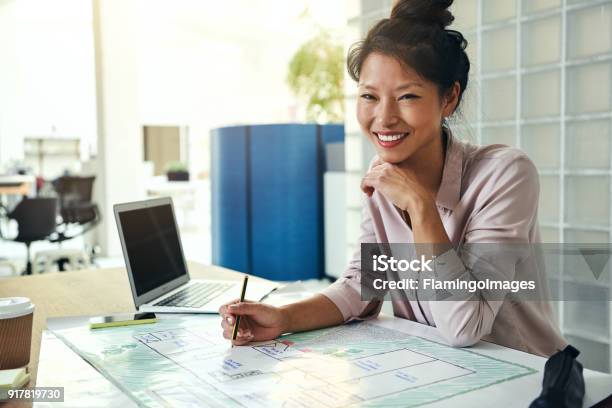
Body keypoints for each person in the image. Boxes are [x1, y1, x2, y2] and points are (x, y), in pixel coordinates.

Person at [219, 0, 566, 357]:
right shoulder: (383, 175)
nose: (384, 118)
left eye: (407, 97)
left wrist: (419, 207)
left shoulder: (505, 173)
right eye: (369, 96)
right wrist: (281, 317)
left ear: (449, 98)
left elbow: (465, 325)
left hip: (533, 379)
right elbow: (361, 287)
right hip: (444, 372)